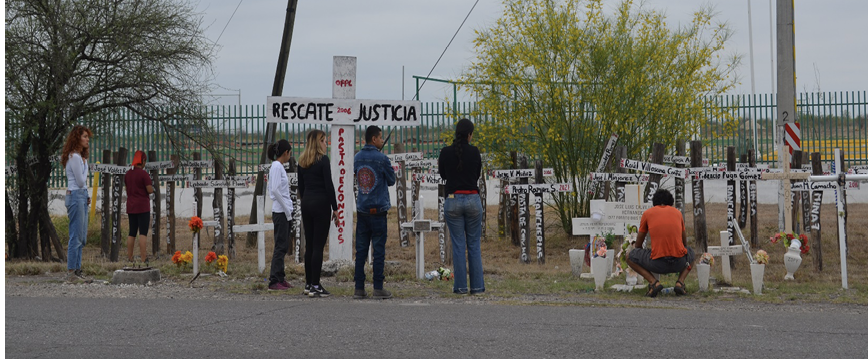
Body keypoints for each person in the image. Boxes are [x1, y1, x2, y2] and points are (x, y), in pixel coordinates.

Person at [438, 118, 484, 295]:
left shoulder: (445, 152)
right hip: (473, 200)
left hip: (452, 200)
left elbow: (443, 175)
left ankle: (460, 287)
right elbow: (477, 174)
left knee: (458, 245)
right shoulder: (475, 152)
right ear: (470, 135)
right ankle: (478, 287)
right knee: (474, 244)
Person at [352, 126, 396, 299]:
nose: (382, 139)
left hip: (362, 210)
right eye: (380, 137)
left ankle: (359, 288)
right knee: (378, 251)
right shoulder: (382, 158)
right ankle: (378, 287)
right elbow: (391, 180)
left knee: (361, 251)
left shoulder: (357, 158)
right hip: (378, 211)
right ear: (374, 139)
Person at [627, 188, 695, 297]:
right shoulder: (677, 213)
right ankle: (680, 282)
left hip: (657, 264)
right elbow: (684, 243)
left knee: (630, 256)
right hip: (678, 263)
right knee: (691, 252)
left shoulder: (648, 213)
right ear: (670, 202)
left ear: (655, 202)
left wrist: (646, 251)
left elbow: (639, 244)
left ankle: (653, 282)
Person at [297, 129, 338, 297]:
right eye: (323, 140)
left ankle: (308, 284)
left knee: (310, 246)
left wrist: (306, 199)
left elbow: (301, 186)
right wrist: (335, 208)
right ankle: (316, 284)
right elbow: (329, 186)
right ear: (317, 142)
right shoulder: (323, 160)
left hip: (306, 203)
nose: (326, 143)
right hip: (321, 204)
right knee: (318, 247)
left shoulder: (301, 161)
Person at [61, 125, 94, 283]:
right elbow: (80, 181)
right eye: (85, 136)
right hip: (75, 195)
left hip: (81, 195)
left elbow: (82, 184)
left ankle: (77, 270)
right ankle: (71, 272)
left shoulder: (80, 158)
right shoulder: (74, 157)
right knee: (76, 235)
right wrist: (86, 165)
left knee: (82, 236)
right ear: (77, 138)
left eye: (88, 137)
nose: (87, 139)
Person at [267, 139, 295, 290]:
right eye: (290, 153)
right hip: (281, 212)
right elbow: (275, 191)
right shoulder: (277, 166)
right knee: (280, 246)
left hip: (283, 211)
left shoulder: (277, 167)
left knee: (283, 246)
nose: (290, 156)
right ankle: (274, 280)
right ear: (286, 153)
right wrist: (286, 210)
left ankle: (280, 277)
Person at [124, 150, 155, 265]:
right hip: (142, 207)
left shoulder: (128, 174)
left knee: (131, 232)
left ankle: (130, 257)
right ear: (141, 161)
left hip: (131, 206)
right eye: (144, 161)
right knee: (143, 233)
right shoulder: (144, 174)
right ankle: (143, 258)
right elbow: (149, 190)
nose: (145, 163)